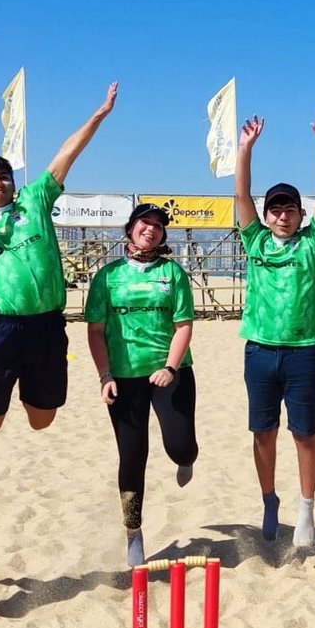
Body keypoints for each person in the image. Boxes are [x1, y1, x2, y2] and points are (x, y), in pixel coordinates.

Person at [0, 83, 117, 434]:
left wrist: (99, 113)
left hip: (48, 325)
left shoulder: (34, 201)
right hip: (3, 327)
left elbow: (67, 153)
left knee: (41, 421)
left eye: (3, 176)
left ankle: (19, 385)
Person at [233, 108, 315, 548]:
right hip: (259, 350)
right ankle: (269, 499)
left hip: (301, 351)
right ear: (266, 214)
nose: (281, 216)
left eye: (289, 209)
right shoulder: (254, 239)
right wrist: (245, 149)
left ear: (299, 214)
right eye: (274, 209)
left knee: (305, 432)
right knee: (263, 432)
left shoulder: (313, 244)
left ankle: (307, 508)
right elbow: (240, 195)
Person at [85, 203, 197, 567]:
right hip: (123, 376)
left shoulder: (172, 273)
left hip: (169, 371)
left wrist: (170, 366)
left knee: (181, 448)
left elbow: (183, 326)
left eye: (158, 226)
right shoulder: (107, 276)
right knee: (133, 455)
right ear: (130, 229)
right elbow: (96, 330)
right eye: (144, 223)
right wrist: (105, 376)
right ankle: (133, 532)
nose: (151, 229)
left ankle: (185, 459)